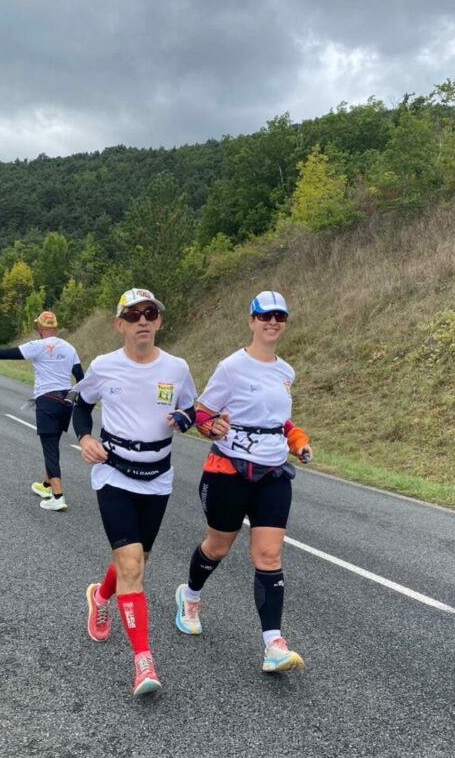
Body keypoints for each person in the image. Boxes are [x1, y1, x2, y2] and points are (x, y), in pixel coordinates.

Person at [174, 290, 312, 674]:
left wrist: (297, 439)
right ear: (251, 321)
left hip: (273, 474)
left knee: (268, 556)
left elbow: (278, 420)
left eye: (279, 317)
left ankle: (273, 644)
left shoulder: (286, 372)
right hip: (229, 471)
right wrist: (211, 426)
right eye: (264, 316)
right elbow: (202, 414)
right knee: (218, 548)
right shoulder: (231, 367)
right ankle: (190, 595)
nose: (272, 322)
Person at [72, 288, 197, 697]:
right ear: (120, 324)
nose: (142, 320)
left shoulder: (177, 368)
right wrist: (85, 436)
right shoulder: (105, 366)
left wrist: (185, 418)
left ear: (159, 321)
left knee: (137, 560)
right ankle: (143, 660)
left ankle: (100, 594)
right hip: (114, 473)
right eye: (133, 314)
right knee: (131, 565)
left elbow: (193, 410)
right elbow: (80, 404)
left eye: (149, 313)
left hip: (158, 476)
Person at [0, 310, 84, 511]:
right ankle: (45, 485)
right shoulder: (70, 348)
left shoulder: (37, 346)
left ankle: (58, 496)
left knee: (49, 448)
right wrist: (75, 399)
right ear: (56, 327)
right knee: (53, 444)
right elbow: (80, 377)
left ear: (40, 328)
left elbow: (10, 353)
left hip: (47, 400)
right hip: (65, 401)